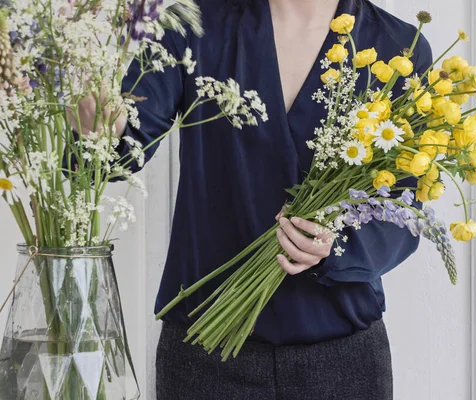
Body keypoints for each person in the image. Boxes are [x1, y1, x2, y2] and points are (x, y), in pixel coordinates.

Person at [73, 0, 432, 398]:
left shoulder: (400, 46)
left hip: (343, 358)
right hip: (204, 357)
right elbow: (124, 145)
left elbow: (401, 209)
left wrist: (336, 248)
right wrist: (101, 126)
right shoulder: (190, 24)